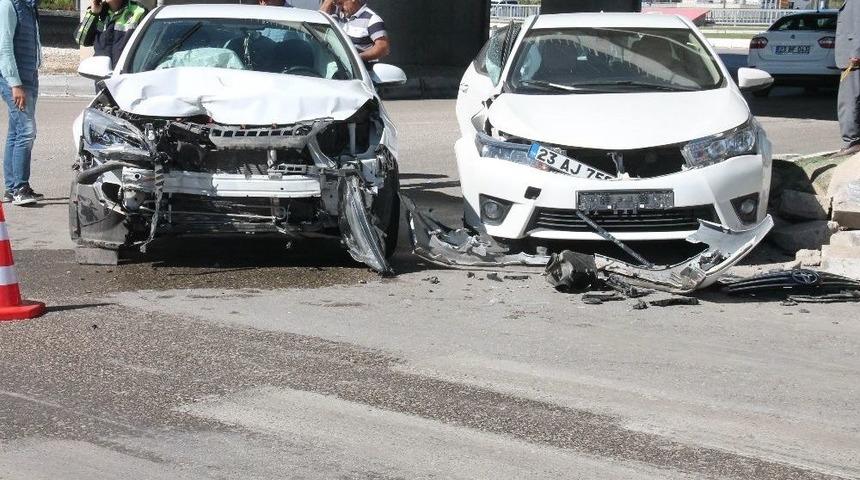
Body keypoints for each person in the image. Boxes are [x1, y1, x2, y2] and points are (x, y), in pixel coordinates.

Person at [0, 0, 43, 205]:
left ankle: (11, 188)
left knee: (16, 131)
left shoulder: (29, 6)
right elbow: (4, 47)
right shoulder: (8, 4)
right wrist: (15, 84)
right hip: (15, 80)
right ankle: (19, 188)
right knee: (27, 131)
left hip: (28, 76)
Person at [75, 0, 148, 71]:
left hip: (127, 76)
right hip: (102, 77)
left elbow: (148, 49)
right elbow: (81, 40)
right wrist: (94, 13)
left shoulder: (139, 11)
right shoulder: (96, 11)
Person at [320, 0, 390, 62]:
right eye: (337, 4)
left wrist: (356, 58)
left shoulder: (372, 19)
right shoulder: (337, 16)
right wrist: (328, 1)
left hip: (359, 71)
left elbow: (383, 48)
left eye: (341, 3)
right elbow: (319, 22)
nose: (339, 8)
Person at [837, 0, 860, 156]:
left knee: (849, 100)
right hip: (851, 56)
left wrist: (856, 53)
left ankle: (852, 142)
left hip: (853, 59)